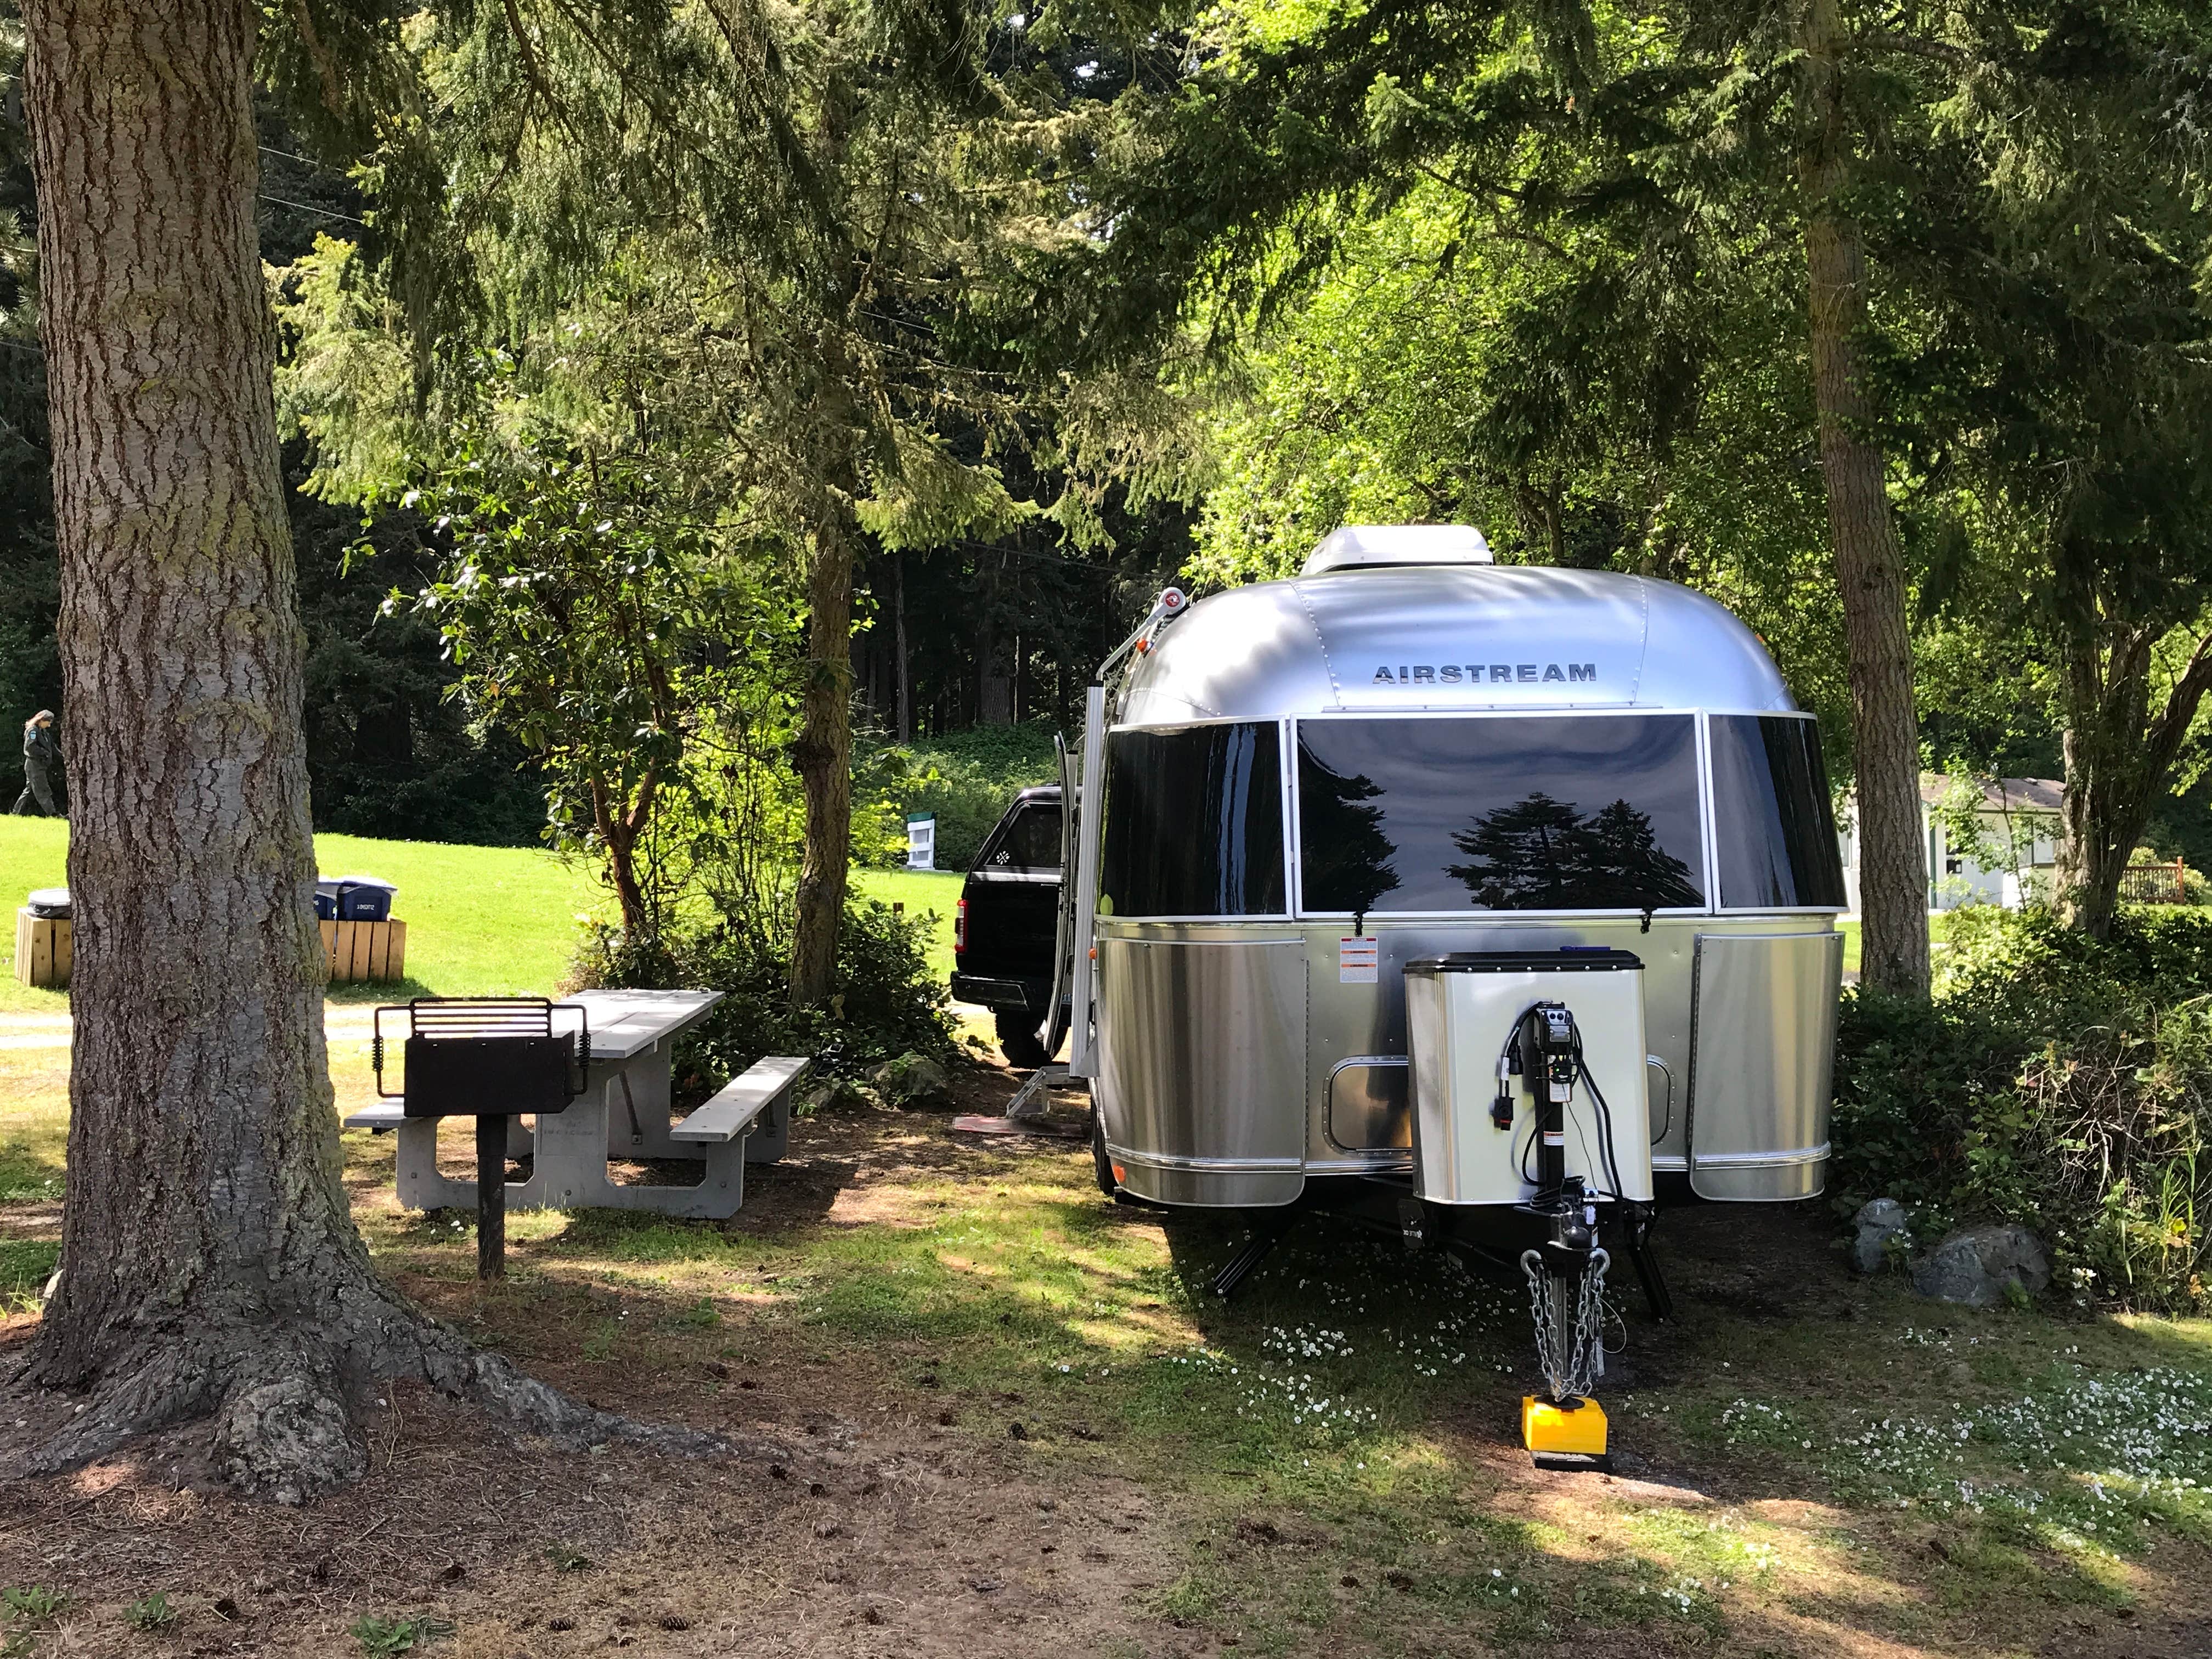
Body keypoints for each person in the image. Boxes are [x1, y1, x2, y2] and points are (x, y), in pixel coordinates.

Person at [13, 710, 61, 817]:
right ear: (42, 720)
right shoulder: (33, 731)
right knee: (43, 790)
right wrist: (44, 754)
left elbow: (52, 748)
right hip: (35, 765)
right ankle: (53, 814)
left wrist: (64, 757)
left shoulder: (43, 733)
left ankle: (16, 812)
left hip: (39, 766)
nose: (49, 725)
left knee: (30, 790)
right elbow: (30, 747)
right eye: (48, 722)